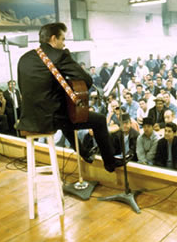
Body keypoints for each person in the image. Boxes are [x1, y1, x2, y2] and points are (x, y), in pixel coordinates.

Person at [17, 22, 120, 172]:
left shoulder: (24, 58)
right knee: (98, 120)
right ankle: (110, 163)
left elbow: (24, 87)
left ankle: (84, 153)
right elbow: (87, 80)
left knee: (66, 114)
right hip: (51, 119)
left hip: (29, 119)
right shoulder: (60, 55)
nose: (64, 43)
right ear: (53, 39)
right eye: (63, 39)